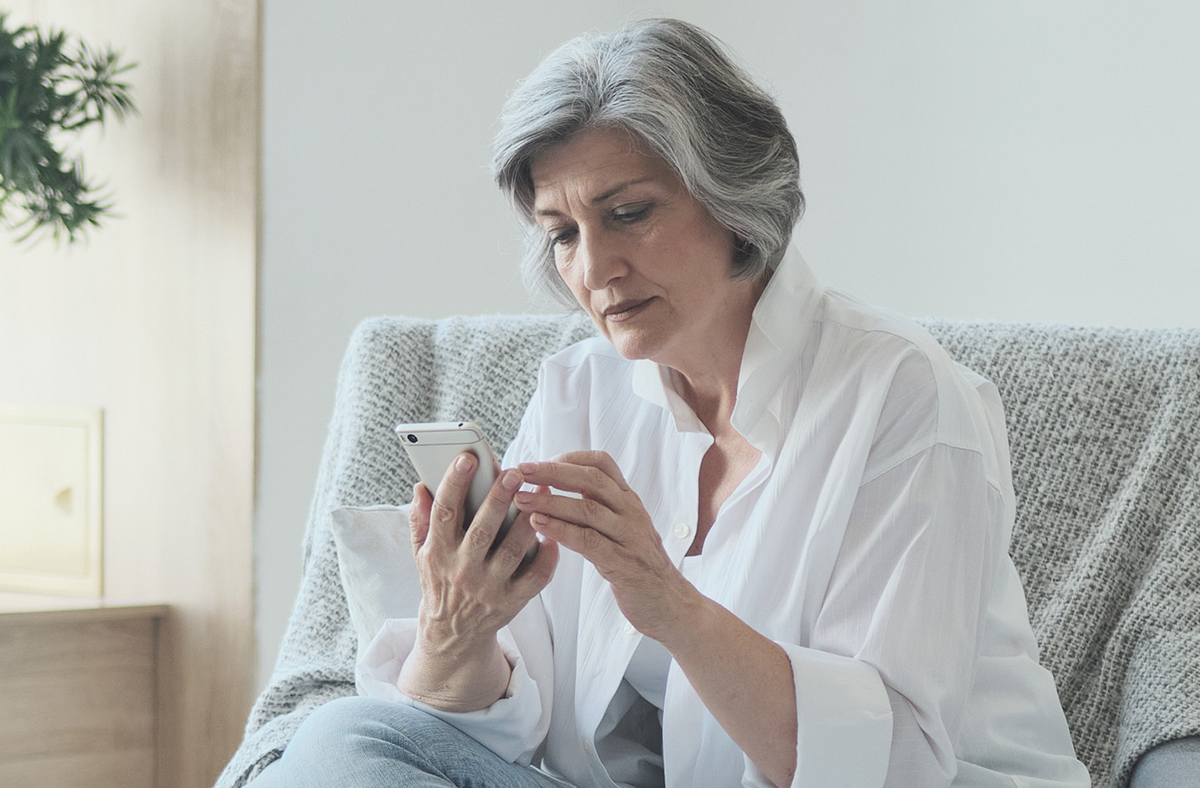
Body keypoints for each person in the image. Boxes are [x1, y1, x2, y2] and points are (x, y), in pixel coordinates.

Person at [253, 18, 1091, 788]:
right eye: (564, 233)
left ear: (736, 197)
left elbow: (897, 759)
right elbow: (505, 734)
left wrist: (668, 604)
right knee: (344, 740)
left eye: (629, 214)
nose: (594, 268)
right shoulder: (579, 391)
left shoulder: (903, 398)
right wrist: (456, 625)